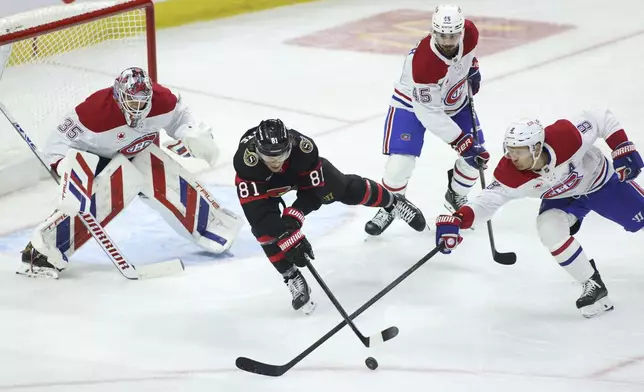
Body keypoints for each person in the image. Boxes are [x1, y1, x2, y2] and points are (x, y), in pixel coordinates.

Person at [19, 67, 243, 279]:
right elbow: (57, 142)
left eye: (141, 101)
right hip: (96, 159)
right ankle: (42, 251)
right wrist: (66, 168)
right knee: (110, 190)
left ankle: (214, 227)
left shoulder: (162, 100)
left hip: (134, 151)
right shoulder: (94, 112)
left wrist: (189, 133)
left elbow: (180, 116)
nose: (137, 107)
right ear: (118, 96)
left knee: (155, 166)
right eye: (131, 100)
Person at [434, 109, 644, 318]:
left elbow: (600, 117)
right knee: (548, 226)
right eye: (510, 149)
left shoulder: (565, 136)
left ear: (536, 148)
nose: (512, 156)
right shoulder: (509, 173)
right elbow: (487, 202)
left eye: (519, 151)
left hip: (601, 182)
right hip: (562, 197)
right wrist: (458, 220)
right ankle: (593, 286)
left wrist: (621, 146)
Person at [234, 119, 427, 314]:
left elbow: (314, 193)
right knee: (264, 232)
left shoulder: (304, 149)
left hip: (297, 173)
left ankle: (393, 202)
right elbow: (261, 218)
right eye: (268, 156)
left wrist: (293, 219)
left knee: (344, 188)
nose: (275, 162)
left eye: (280, 154)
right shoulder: (246, 163)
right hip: (263, 186)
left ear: (290, 145)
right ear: (256, 150)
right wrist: (286, 236)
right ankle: (291, 276)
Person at [365, 4, 489, 236]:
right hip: (412, 105)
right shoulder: (423, 63)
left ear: (461, 31)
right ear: (433, 32)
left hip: (455, 98)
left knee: (477, 158)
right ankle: (390, 205)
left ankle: (455, 194)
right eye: (443, 35)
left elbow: (468, 55)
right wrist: (460, 140)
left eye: (453, 35)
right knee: (399, 164)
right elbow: (428, 113)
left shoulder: (470, 33)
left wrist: (472, 67)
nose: (449, 41)